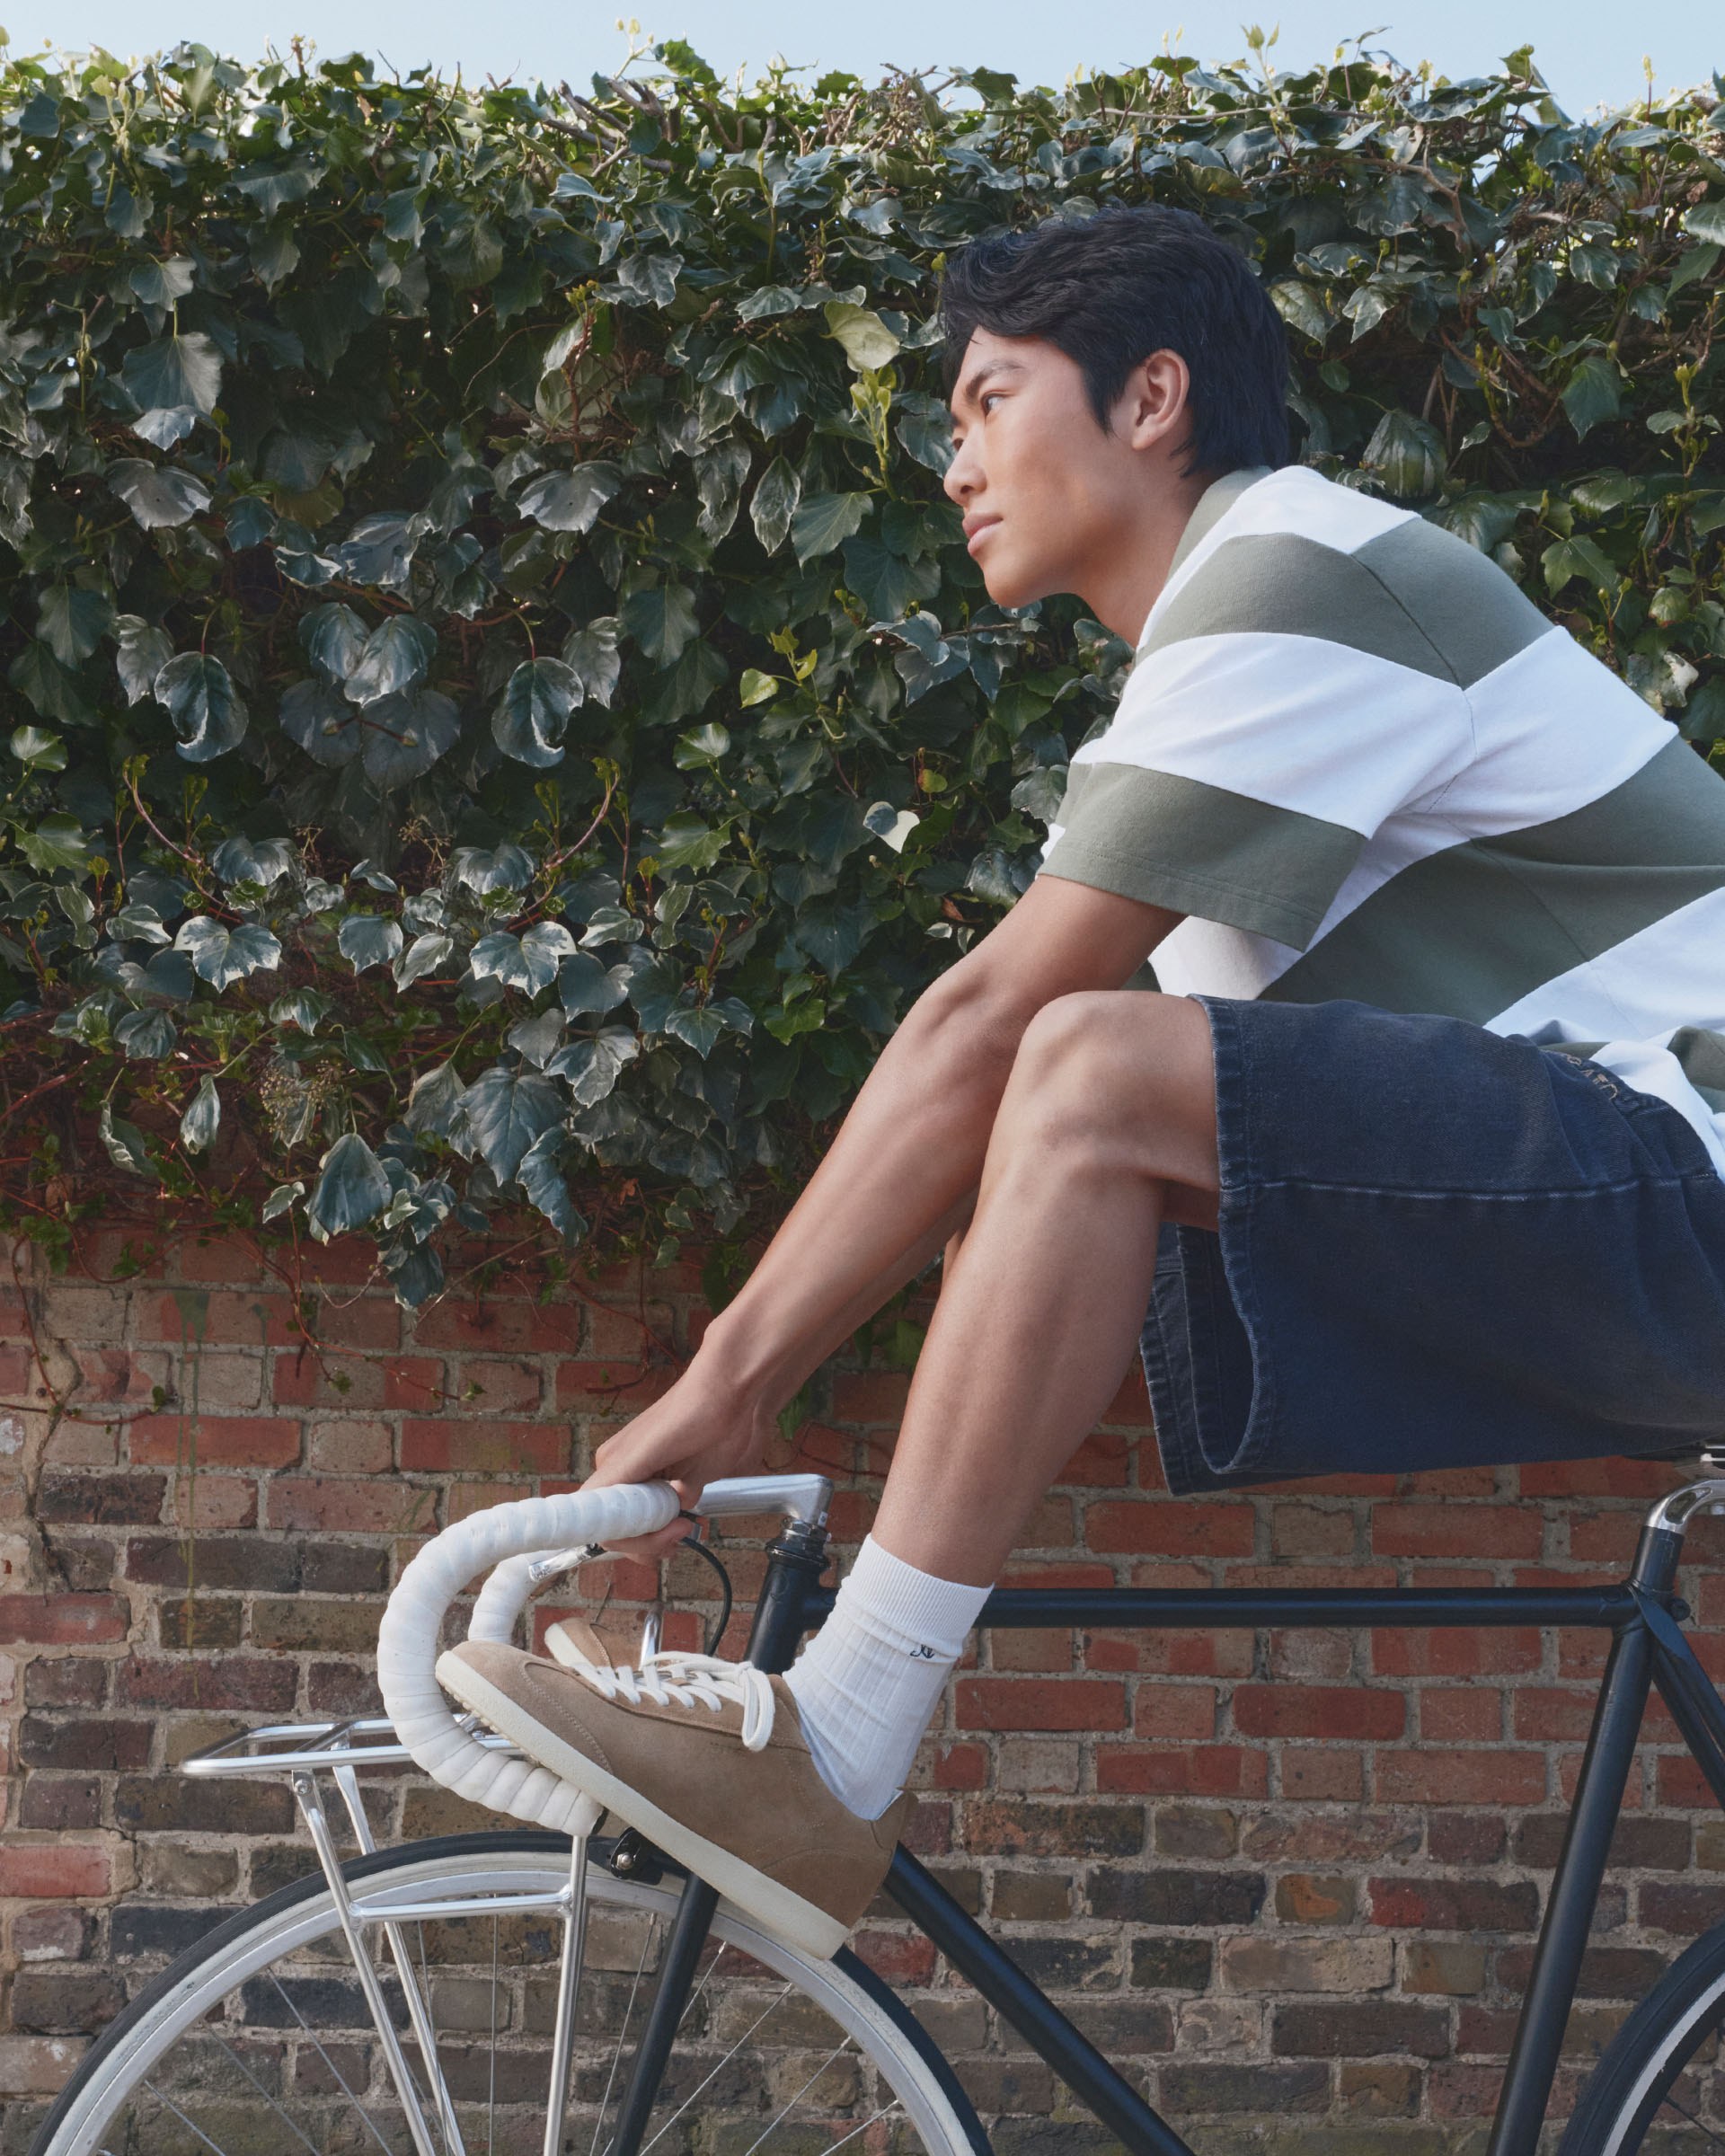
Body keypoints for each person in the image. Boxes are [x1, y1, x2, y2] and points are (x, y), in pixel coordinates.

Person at [440, 204, 1725, 1959]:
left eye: (983, 399)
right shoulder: (1219, 667)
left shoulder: (1298, 581)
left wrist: (736, 1381)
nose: (953, 458)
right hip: (1631, 1193)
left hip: (1690, 1186)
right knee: (1084, 1105)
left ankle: (846, 1737)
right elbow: (1044, 1152)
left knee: (1081, 1064)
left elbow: (997, 1029)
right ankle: (837, 1716)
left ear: (1151, 398)